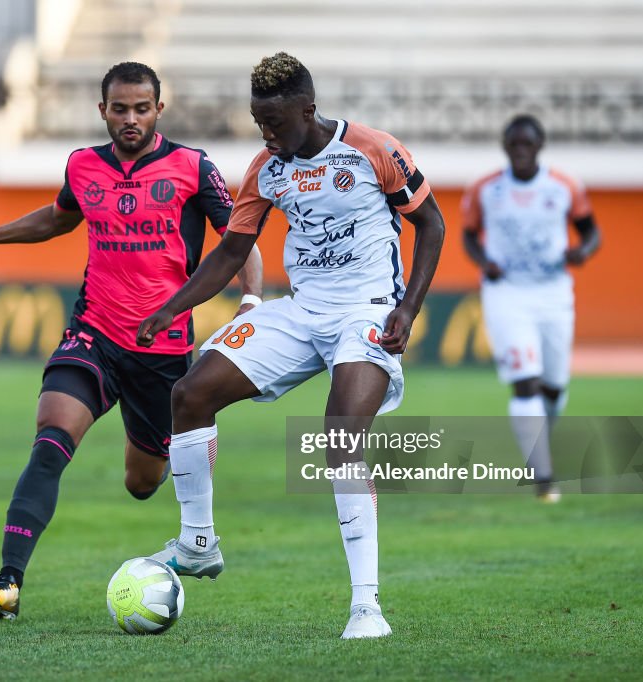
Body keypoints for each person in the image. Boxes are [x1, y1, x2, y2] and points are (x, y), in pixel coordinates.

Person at [136, 52, 445, 640]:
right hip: (303, 312)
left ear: (308, 109)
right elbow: (231, 252)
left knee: (341, 433)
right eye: (259, 123)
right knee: (190, 394)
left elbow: (432, 224)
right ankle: (197, 543)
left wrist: (407, 308)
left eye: (276, 122)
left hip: (368, 311)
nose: (267, 133)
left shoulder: (375, 150)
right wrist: (173, 307)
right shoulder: (265, 169)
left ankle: (366, 608)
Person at [0, 61, 263, 620]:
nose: (131, 119)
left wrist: (252, 298)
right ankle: (8, 580)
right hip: (93, 333)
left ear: (159, 110)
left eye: (142, 108)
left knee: (143, 482)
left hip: (161, 353)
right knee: (51, 436)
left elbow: (239, 239)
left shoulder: (192, 167)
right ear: (103, 111)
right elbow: (59, 217)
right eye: (120, 109)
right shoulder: (84, 165)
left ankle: (163, 467)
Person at [462, 114, 600, 502]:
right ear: (505, 147)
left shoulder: (564, 186)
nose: (520, 151)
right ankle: (544, 477)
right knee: (526, 380)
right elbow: (468, 235)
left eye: (528, 144)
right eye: (514, 144)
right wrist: (483, 261)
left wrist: (582, 252)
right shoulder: (487, 189)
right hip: (507, 294)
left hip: (554, 293)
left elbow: (591, 230)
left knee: (553, 387)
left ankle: (536, 446)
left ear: (540, 146)